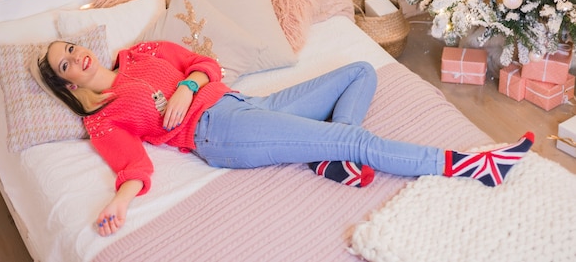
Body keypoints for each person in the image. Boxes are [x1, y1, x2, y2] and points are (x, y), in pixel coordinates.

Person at [32, 39, 534, 237]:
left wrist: (189, 84)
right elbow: (132, 167)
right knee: (354, 143)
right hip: (219, 133)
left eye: (73, 47)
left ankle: (323, 157)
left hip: (243, 104)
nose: (77, 57)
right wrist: (120, 202)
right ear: (69, 83)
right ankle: (471, 165)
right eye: (65, 64)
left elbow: (204, 62)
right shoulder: (103, 118)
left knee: (359, 70)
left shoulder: (138, 53)